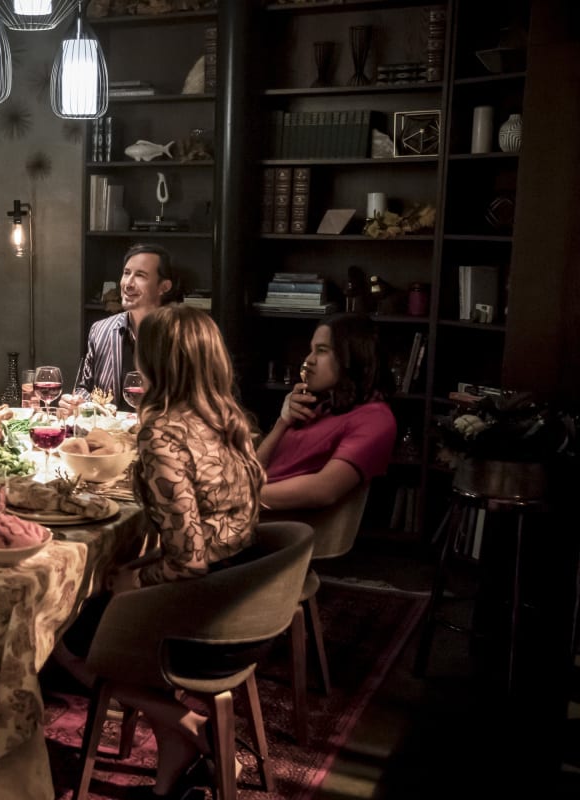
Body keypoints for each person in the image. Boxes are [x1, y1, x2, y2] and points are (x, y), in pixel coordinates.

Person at [55, 303, 264, 797]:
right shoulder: (226, 418)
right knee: (116, 587)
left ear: (156, 362)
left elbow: (188, 560)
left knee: (63, 627)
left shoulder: (163, 431)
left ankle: (197, 730)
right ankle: (172, 777)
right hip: (248, 599)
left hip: (206, 617)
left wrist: (138, 578)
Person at [256, 313, 397, 510]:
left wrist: (238, 497)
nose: (308, 360)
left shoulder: (375, 418)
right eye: (311, 350)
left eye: (321, 351)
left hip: (270, 518)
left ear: (353, 356)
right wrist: (282, 422)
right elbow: (255, 469)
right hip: (246, 508)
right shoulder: (323, 408)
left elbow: (324, 490)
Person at [59, 243, 181, 415]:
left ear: (164, 287)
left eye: (140, 275)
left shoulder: (181, 336)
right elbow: (85, 388)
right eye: (126, 273)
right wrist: (77, 403)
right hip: (110, 431)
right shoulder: (100, 330)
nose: (128, 283)